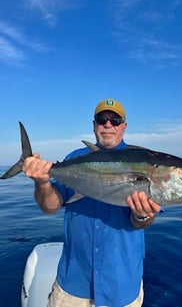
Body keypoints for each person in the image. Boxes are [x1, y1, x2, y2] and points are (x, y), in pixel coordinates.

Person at [22, 98, 161, 307]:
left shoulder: (146, 162)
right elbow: (50, 206)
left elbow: (142, 222)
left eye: (115, 120)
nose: (108, 124)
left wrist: (142, 215)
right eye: (101, 119)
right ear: (94, 125)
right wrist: (42, 183)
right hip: (73, 284)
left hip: (121, 287)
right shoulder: (75, 158)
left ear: (124, 126)